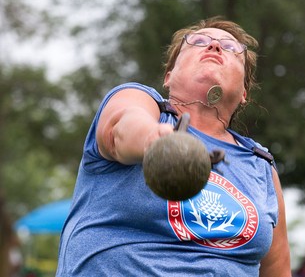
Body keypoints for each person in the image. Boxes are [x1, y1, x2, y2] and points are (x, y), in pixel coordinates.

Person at [56, 17, 291, 276]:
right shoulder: (146, 105)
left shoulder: (260, 164)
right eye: (199, 42)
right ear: (169, 76)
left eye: (230, 47)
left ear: (245, 91)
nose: (214, 47)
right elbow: (121, 129)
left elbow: (277, 271)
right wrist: (155, 141)